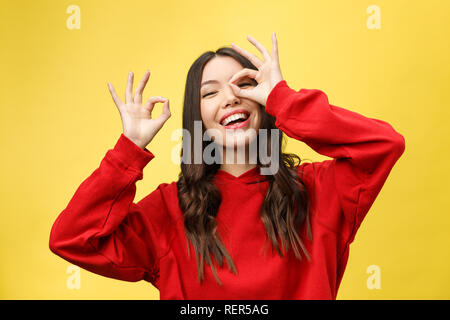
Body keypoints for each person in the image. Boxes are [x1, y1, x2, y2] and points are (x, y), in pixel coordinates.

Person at [49, 33, 405, 299]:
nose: (231, 97)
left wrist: (284, 99)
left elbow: (384, 145)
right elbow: (72, 239)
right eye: (209, 93)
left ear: (262, 101)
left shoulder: (320, 191)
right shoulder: (167, 211)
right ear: (197, 119)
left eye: (244, 84)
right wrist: (130, 150)